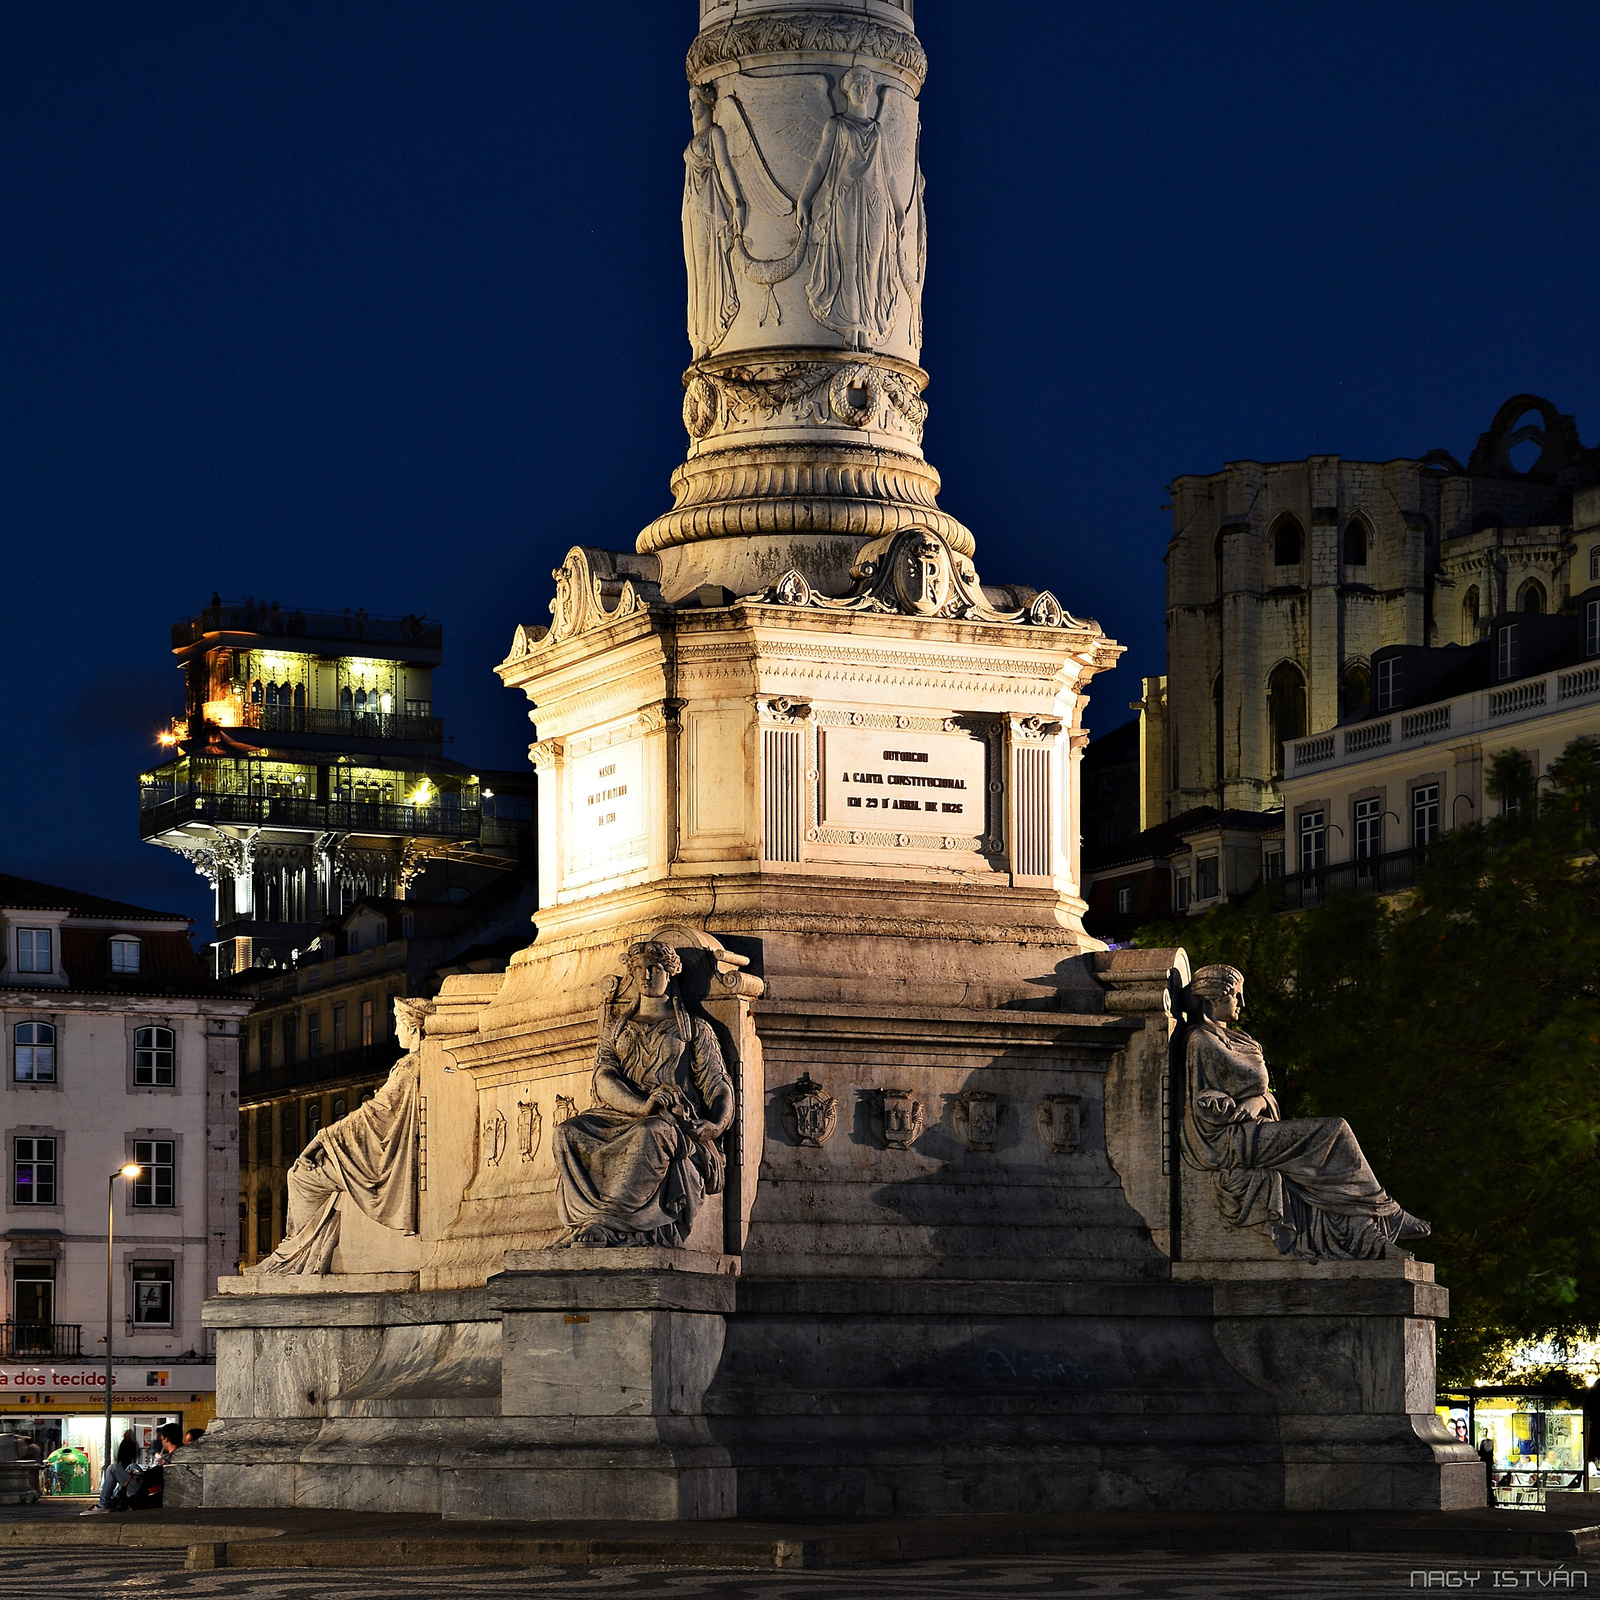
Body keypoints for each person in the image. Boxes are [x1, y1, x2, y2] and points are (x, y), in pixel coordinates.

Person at [1181, 964, 1431, 1259]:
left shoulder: (1242, 1039)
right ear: (1214, 998)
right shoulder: (1201, 1040)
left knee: (1326, 1164)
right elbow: (1203, 1109)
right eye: (1236, 995)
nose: (1243, 1003)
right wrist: (1235, 1106)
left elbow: (1264, 1095)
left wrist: (1259, 1101)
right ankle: (1388, 1213)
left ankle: (1368, 1233)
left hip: (1253, 1125)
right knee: (1334, 1131)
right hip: (1228, 1140)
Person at [552, 941, 734, 1247]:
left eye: (656, 968)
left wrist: (714, 1125)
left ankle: (608, 1223)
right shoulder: (616, 1029)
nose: (647, 975)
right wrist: (641, 1105)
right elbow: (604, 1077)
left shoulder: (694, 1028)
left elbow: (718, 1085)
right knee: (566, 1132)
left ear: (670, 974)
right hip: (624, 1113)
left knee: (650, 1133)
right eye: (640, 970)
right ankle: (590, 1219)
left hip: (672, 1122)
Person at [124, 1422, 182, 1511]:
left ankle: (105, 1504)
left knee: (113, 1469)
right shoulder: (178, 1456)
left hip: (149, 1493)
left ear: (166, 1439)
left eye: (162, 1439)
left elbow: (153, 1476)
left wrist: (139, 1475)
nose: (162, 1442)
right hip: (152, 1488)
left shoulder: (169, 1459)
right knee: (131, 1466)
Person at [80, 1430, 138, 1515]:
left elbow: (122, 1454)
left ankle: (103, 1505)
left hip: (140, 1489)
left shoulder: (128, 1443)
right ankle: (112, 1500)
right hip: (137, 1478)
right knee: (131, 1466)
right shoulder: (131, 1444)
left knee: (112, 1468)